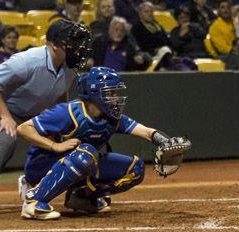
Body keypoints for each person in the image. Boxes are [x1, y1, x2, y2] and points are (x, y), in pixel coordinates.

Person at [0, 20, 91, 216]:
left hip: (35, 113)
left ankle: (73, 192)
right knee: (6, 137)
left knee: (72, 135)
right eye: (72, 44)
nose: (77, 49)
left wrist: (60, 118)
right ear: (55, 45)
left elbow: (61, 93)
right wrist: (5, 116)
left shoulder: (68, 65)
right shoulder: (28, 60)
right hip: (2, 109)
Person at [16, 67, 186, 219]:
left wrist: (165, 142)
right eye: (111, 93)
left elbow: (147, 132)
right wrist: (55, 146)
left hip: (81, 162)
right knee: (86, 153)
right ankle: (34, 200)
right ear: (95, 93)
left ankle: (82, 197)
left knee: (136, 169)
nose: (116, 98)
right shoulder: (68, 112)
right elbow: (24, 129)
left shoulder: (112, 118)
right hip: (42, 166)